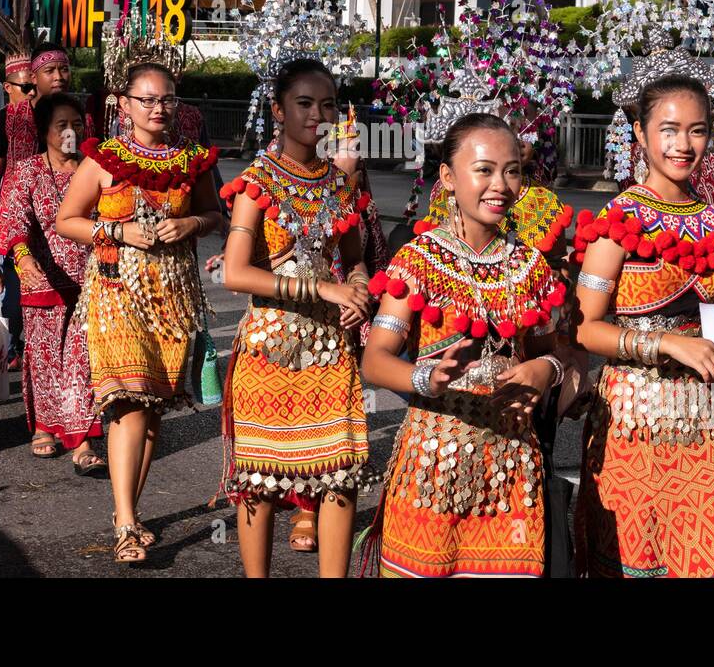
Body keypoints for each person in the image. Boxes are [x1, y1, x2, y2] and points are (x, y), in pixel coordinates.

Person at [359, 113, 568, 577]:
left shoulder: (530, 265)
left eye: (511, 170)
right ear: (449, 178)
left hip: (512, 470)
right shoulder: (418, 260)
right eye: (484, 169)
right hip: (434, 466)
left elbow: (557, 353)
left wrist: (546, 371)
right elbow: (375, 361)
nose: (500, 184)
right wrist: (424, 377)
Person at [572, 74, 714, 577]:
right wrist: (664, 344)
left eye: (697, 131)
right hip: (634, 423)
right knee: (635, 563)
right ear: (639, 133)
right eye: (669, 130)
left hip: (707, 423)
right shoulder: (620, 217)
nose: (682, 144)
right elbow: (584, 328)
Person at [56, 60, 222, 563]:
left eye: (167, 98)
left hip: (173, 297)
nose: (158, 108)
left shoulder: (192, 159)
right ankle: (125, 521)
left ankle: (131, 509)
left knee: (151, 412)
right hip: (115, 293)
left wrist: (191, 222)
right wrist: (117, 231)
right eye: (147, 99)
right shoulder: (102, 159)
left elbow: (217, 215)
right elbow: (68, 220)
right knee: (128, 403)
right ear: (122, 105)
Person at [218, 58, 374, 577]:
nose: (317, 114)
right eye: (304, 103)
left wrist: (356, 288)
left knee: (339, 473)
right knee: (262, 478)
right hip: (270, 348)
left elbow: (355, 259)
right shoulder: (255, 183)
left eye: (327, 104)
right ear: (277, 111)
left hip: (331, 349)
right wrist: (322, 287)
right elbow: (237, 273)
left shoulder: (338, 182)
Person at [0, 92, 104, 472]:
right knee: (43, 359)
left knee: (82, 361)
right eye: (62, 125)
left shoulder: (97, 168)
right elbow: (10, 222)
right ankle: (45, 426)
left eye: (77, 124)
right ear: (43, 131)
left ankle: (84, 439)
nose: (71, 132)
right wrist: (23, 258)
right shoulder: (26, 171)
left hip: (92, 281)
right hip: (41, 280)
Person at [0, 42, 74, 369]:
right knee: (17, 302)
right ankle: (24, 348)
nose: (59, 76)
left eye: (64, 69)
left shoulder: (82, 113)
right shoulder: (10, 117)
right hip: (19, 227)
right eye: (50, 70)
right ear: (34, 76)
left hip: (72, 227)